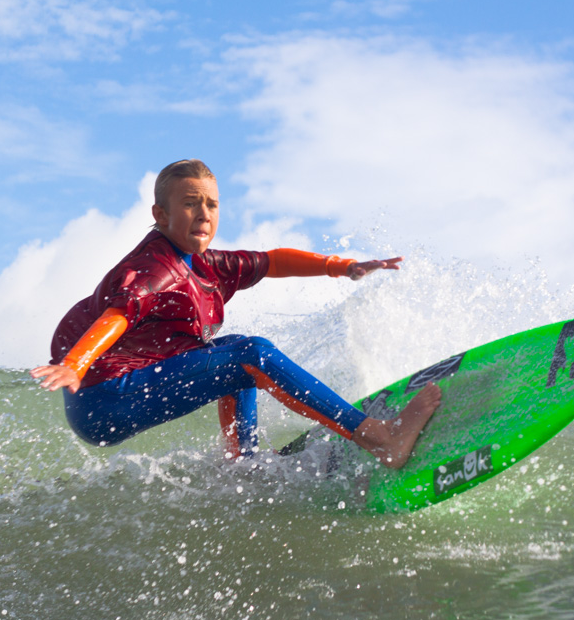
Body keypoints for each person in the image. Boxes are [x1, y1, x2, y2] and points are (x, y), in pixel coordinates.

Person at [31, 159, 441, 467]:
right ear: (160, 215)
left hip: (116, 391)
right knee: (251, 354)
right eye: (190, 204)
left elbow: (272, 261)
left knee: (231, 351)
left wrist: (340, 266)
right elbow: (119, 314)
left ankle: (240, 462)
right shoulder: (157, 268)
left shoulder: (205, 264)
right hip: (105, 401)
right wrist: (73, 363)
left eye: (211, 204)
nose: (203, 213)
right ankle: (380, 440)